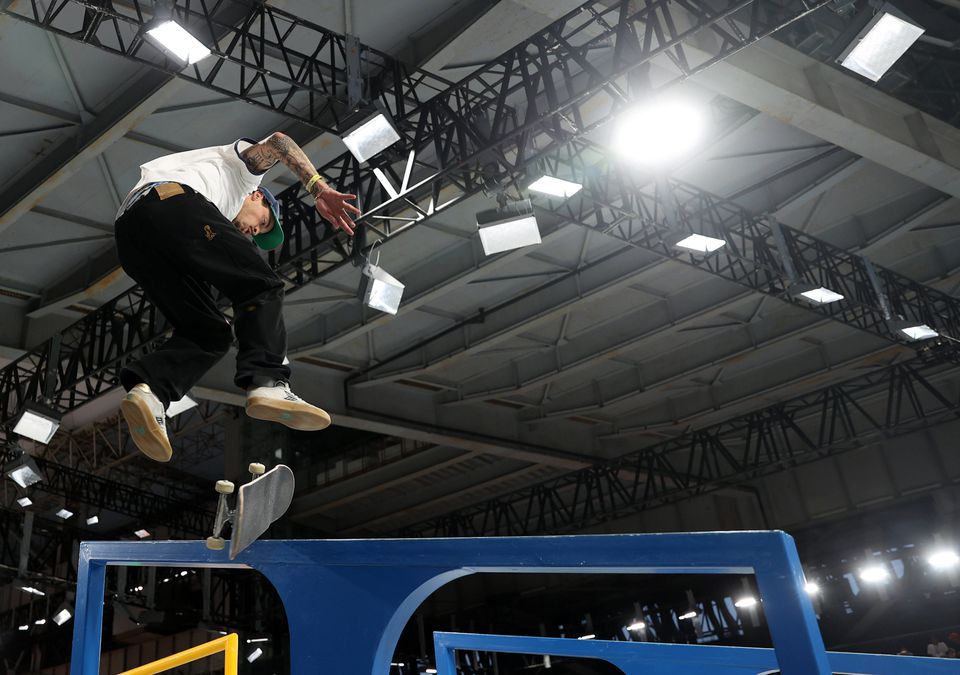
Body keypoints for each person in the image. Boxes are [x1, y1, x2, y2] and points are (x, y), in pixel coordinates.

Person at [113, 132, 360, 462]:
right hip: (171, 201)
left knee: (209, 332)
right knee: (262, 285)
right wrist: (319, 187)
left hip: (131, 236)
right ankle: (267, 382)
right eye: (263, 223)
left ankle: (151, 392)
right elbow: (279, 142)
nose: (254, 232)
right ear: (258, 197)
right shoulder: (245, 177)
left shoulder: (210, 214)